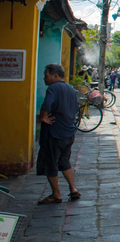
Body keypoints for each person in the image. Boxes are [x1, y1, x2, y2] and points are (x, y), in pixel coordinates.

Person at [36, 64, 80, 204]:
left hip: (54, 134)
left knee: (51, 163)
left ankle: (56, 194)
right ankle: (73, 189)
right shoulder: (71, 89)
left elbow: (47, 104)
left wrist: (43, 117)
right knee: (64, 161)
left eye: (46, 75)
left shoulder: (53, 88)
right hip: (68, 132)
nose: (44, 78)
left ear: (55, 76)